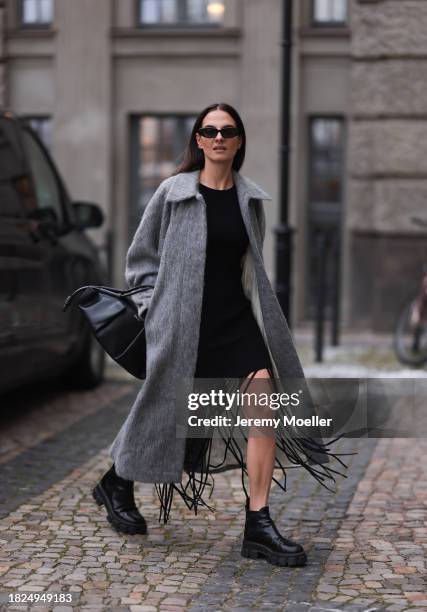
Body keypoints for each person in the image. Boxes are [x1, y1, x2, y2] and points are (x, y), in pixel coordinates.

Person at [93, 102, 348, 568]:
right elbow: (141, 258)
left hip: (235, 322)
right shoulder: (172, 193)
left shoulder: (250, 200)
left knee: (264, 406)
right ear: (198, 140)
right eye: (209, 131)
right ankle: (117, 481)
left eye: (227, 130)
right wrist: (153, 306)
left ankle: (259, 523)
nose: (218, 138)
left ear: (239, 141)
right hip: (181, 323)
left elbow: (249, 267)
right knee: (162, 412)